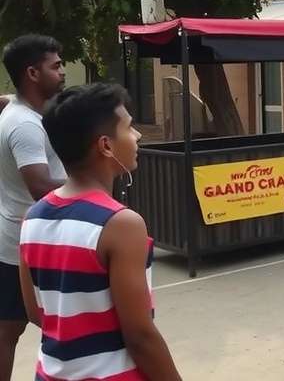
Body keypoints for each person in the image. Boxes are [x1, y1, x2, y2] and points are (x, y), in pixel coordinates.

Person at [19, 83, 182, 380]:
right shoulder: (121, 224)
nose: (138, 136)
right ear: (105, 145)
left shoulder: (32, 218)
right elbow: (141, 337)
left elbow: (36, 313)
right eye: (130, 128)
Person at [0, 35, 67, 380]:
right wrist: (92, 179)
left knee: (9, 331)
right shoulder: (25, 124)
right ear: (32, 73)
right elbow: (40, 187)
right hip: (26, 247)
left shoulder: (17, 107)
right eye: (55, 66)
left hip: (22, 241)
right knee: (13, 332)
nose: (63, 71)